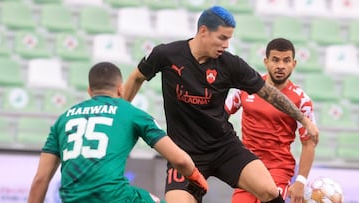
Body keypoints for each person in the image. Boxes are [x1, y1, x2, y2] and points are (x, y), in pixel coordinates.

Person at [123, 5, 319, 203]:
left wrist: (303, 119)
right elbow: (136, 77)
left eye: (229, 39)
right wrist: (120, 110)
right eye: (222, 38)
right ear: (203, 31)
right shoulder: (166, 54)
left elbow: (268, 93)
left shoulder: (230, 64)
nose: (226, 45)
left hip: (224, 147)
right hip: (184, 155)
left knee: (269, 190)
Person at [28, 62, 208, 203]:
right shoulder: (130, 112)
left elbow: (40, 180)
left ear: (90, 91)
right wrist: (197, 178)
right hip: (115, 197)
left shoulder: (64, 119)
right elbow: (180, 160)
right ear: (121, 88)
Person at [225, 38, 317, 203]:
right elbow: (220, 115)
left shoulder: (302, 100)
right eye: (275, 60)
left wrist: (301, 181)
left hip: (278, 170)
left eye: (286, 60)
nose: (281, 65)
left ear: (294, 64)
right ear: (266, 61)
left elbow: (309, 143)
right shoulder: (246, 88)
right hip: (247, 167)